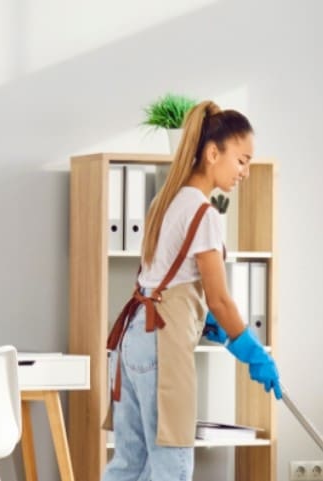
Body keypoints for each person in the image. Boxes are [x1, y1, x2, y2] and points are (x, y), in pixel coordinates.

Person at [101, 101, 281, 481]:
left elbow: (170, 278)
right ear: (213, 153)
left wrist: (209, 323)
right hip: (162, 349)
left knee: (128, 465)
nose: (245, 173)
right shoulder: (204, 213)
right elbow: (219, 297)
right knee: (172, 467)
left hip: (132, 341)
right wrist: (253, 352)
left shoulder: (165, 201)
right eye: (242, 160)